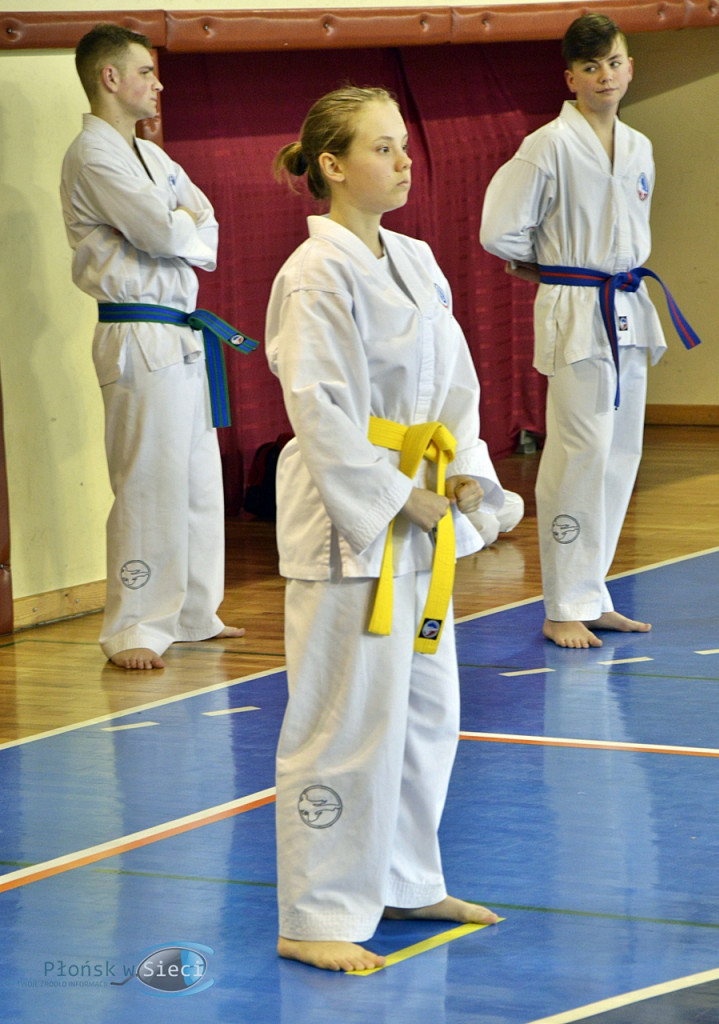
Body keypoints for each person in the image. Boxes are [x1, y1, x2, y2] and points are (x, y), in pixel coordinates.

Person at [265, 86, 503, 972]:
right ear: (332, 165)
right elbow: (319, 409)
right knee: (342, 723)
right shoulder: (313, 273)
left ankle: (405, 879)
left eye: (403, 144)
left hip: (420, 513)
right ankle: (315, 914)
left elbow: (456, 385)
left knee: (426, 715)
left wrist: (466, 467)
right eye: (382, 147)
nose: (404, 161)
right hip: (351, 527)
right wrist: (398, 495)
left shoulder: (415, 258)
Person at [480, 13, 700, 649]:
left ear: (630, 68)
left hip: (627, 302)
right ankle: (561, 605)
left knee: (620, 455)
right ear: (570, 77)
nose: (606, 75)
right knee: (579, 454)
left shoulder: (639, 147)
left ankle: (591, 593)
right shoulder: (546, 145)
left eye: (615, 62)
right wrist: (547, 266)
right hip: (577, 306)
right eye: (591, 66)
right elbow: (499, 230)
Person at [60, 24, 249, 670]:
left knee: (196, 478)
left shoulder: (152, 157)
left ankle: (194, 611)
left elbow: (205, 224)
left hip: (183, 332)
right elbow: (164, 232)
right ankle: (134, 625)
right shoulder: (94, 156)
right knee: (146, 480)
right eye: (146, 71)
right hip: (136, 332)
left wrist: (176, 227)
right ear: (110, 77)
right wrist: (175, 227)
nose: (158, 83)